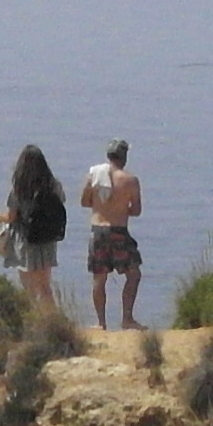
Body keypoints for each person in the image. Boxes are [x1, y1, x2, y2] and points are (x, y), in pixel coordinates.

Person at [0, 143, 72, 318]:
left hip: (26, 241)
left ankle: (29, 323)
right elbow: (62, 201)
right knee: (45, 287)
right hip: (47, 240)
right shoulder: (53, 185)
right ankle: (53, 322)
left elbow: (12, 217)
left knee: (28, 288)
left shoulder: (20, 189)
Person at [77, 140, 147, 329]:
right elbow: (137, 210)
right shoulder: (130, 180)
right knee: (133, 274)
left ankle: (101, 323)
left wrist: (102, 207)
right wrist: (120, 209)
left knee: (99, 278)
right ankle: (127, 319)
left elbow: (84, 202)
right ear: (124, 157)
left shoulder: (94, 176)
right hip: (119, 232)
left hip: (98, 231)